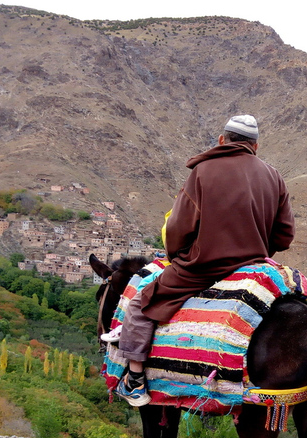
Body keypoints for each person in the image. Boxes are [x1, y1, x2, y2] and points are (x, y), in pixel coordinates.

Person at [102, 114, 295, 406]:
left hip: (204, 268)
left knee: (142, 304)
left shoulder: (203, 172)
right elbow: (284, 237)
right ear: (255, 146)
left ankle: (136, 381)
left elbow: (179, 229)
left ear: (222, 140)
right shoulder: (274, 176)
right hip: (255, 265)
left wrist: (178, 256)